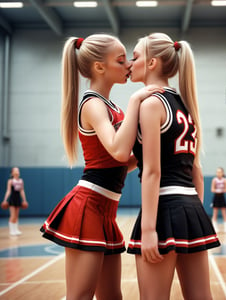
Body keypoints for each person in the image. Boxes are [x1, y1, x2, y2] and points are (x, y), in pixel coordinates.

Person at [40, 33, 163, 300]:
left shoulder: (113, 107)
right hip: (87, 208)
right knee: (80, 295)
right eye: (121, 61)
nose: (129, 65)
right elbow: (119, 151)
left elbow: (121, 163)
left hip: (107, 211)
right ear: (99, 67)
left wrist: (152, 153)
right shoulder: (93, 104)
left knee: (111, 296)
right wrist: (136, 100)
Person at [127, 33, 220, 300]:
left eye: (135, 57)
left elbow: (153, 172)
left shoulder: (152, 104)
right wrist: (195, 216)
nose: (130, 63)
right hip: (192, 206)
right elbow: (197, 171)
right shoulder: (185, 105)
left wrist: (147, 229)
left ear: (153, 62)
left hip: (163, 208)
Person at [1, 167, 29, 236]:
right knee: (12, 215)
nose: (17, 171)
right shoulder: (10, 181)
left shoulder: (21, 181)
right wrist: (5, 199)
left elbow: (22, 191)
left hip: (18, 198)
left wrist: (24, 200)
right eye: (16, 170)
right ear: (12, 173)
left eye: (18, 170)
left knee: (16, 216)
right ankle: (11, 230)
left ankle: (16, 229)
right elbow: (8, 191)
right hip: (12, 199)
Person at [211, 167, 226, 233]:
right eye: (217, 172)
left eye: (220, 172)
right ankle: (214, 228)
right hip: (216, 197)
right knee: (215, 213)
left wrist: (221, 190)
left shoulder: (225, 180)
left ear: (222, 173)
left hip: (222, 196)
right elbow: (212, 189)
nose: (218, 173)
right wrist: (217, 190)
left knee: (224, 213)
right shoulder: (214, 180)